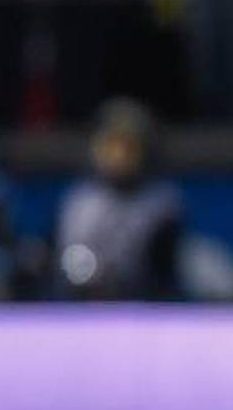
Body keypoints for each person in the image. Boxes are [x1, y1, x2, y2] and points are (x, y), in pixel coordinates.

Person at [55, 98, 183, 300]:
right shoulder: (82, 202)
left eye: (127, 147)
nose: (118, 156)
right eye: (110, 146)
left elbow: (162, 271)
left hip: (144, 303)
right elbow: (70, 260)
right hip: (85, 300)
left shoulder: (162, 202)